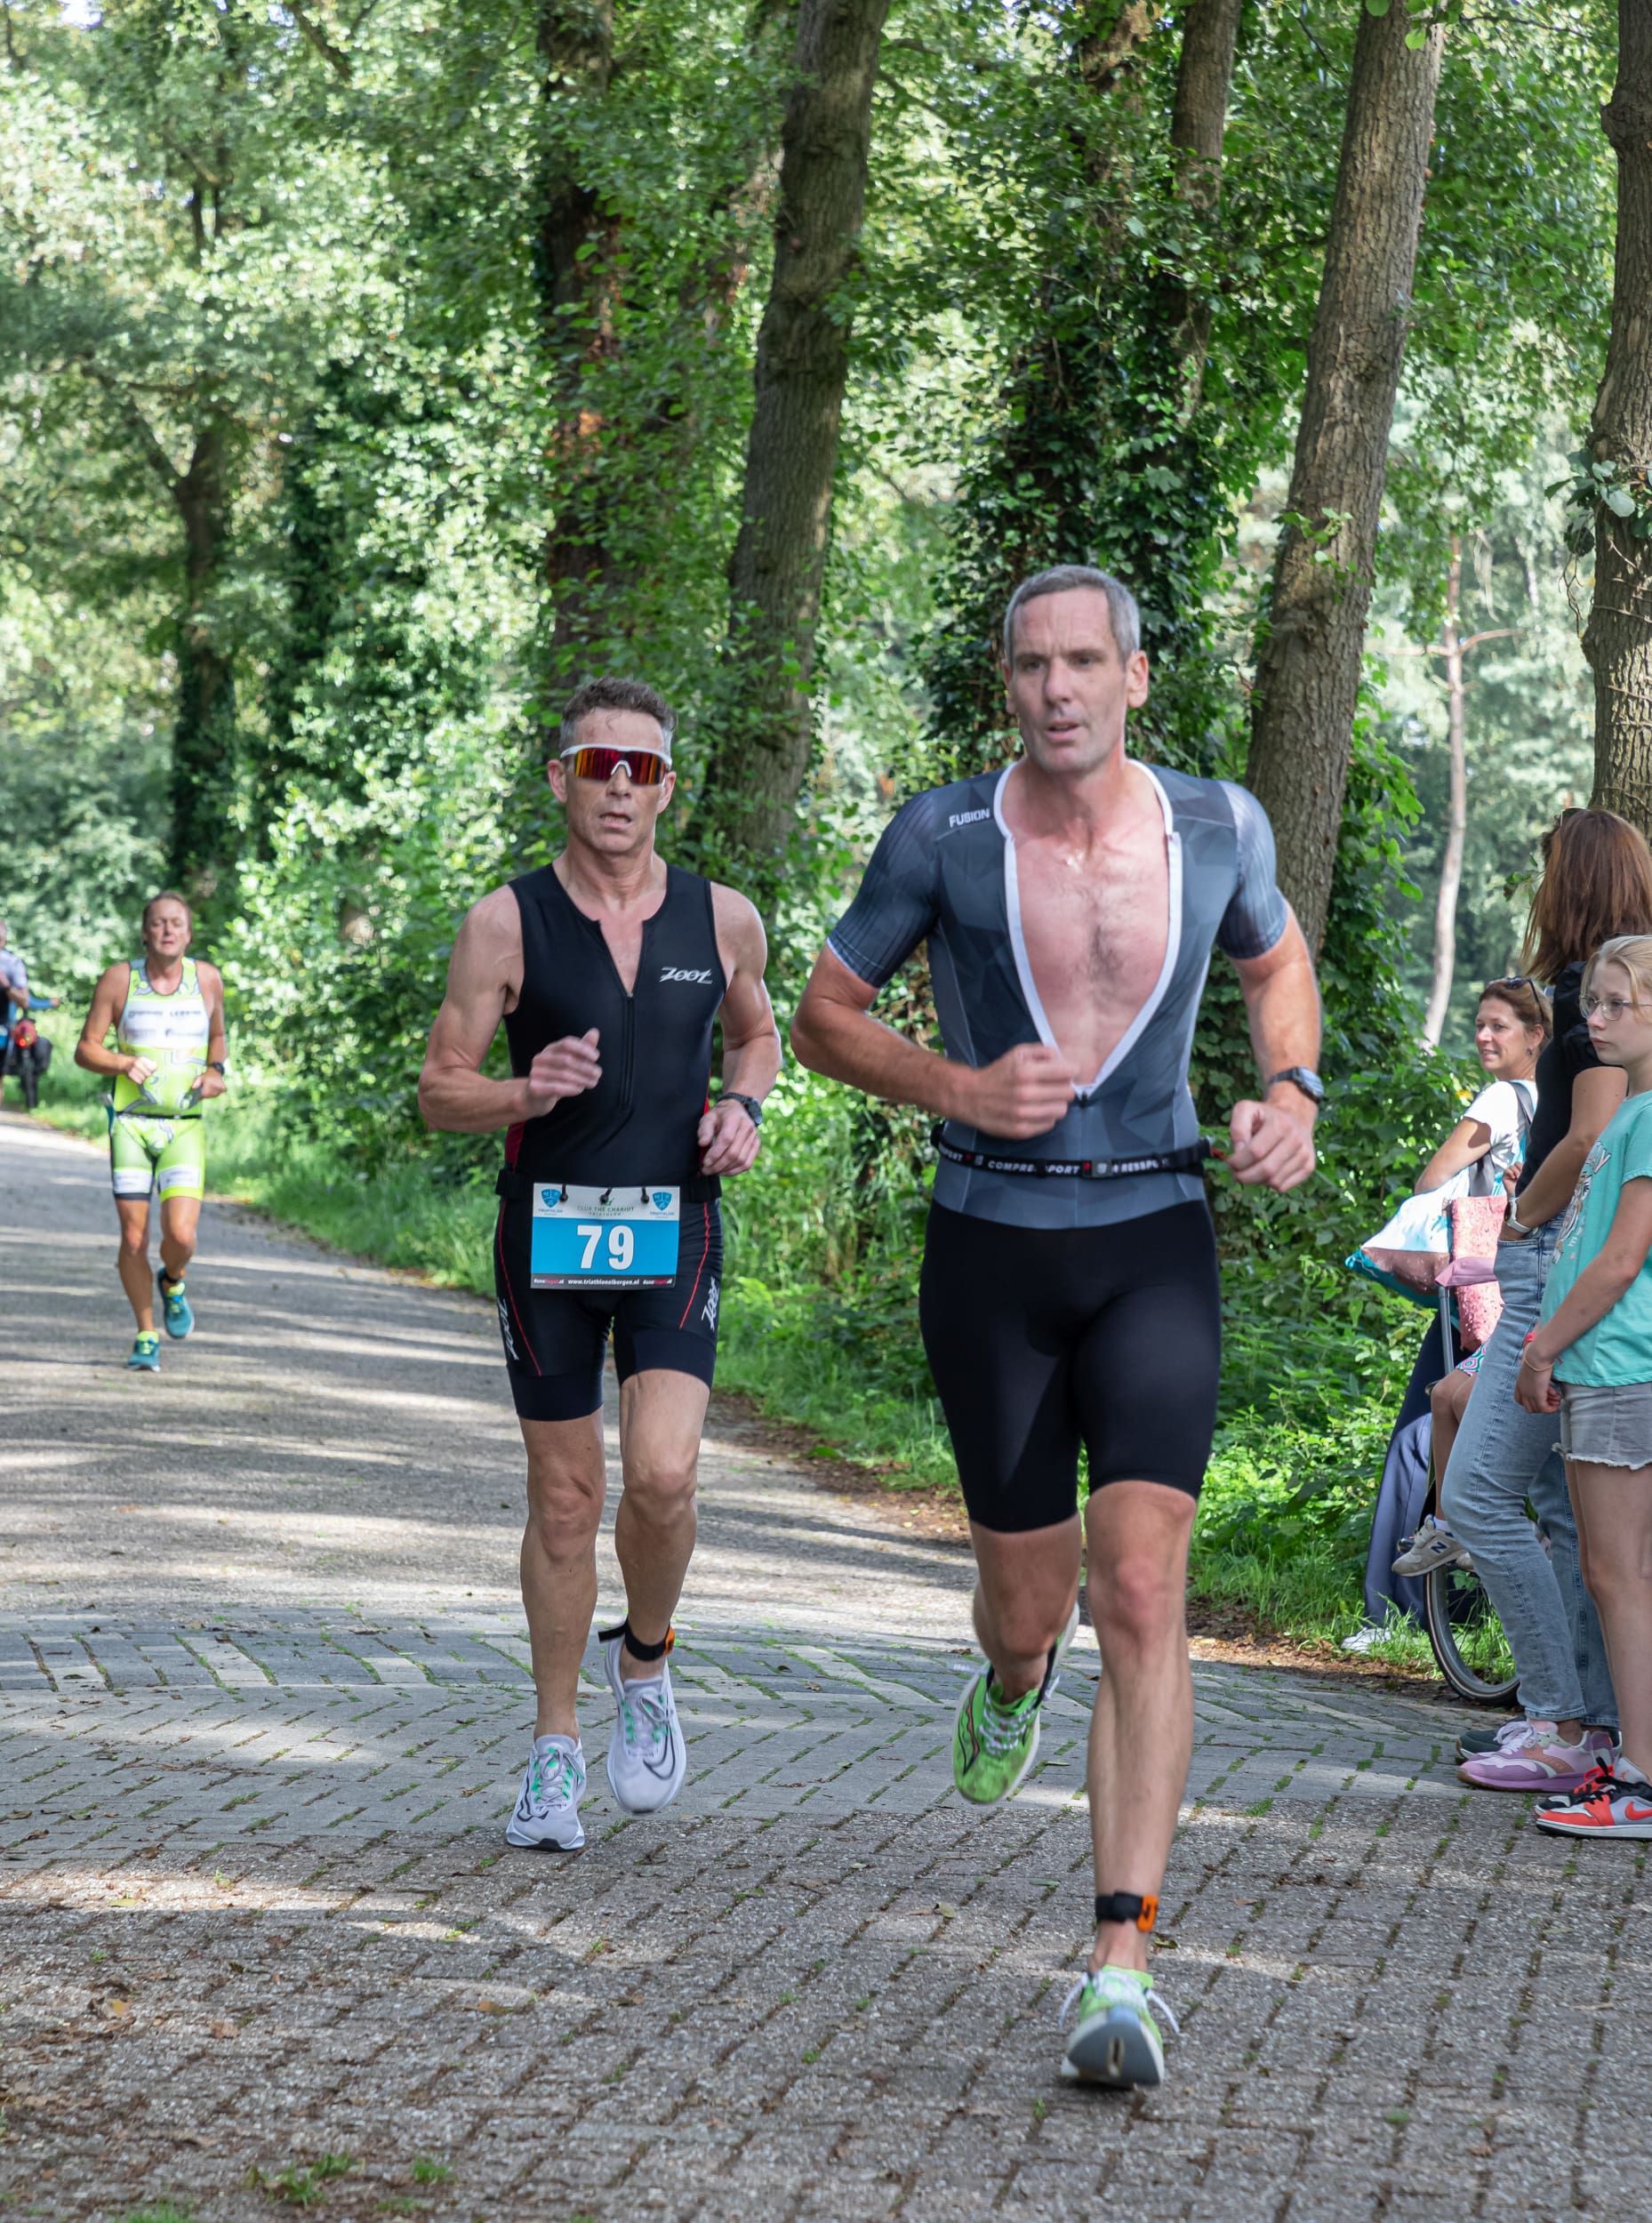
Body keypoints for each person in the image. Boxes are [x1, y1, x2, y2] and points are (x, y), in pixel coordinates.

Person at [790, 565, 1320, 2091]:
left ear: (1135, 676)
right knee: (1031, 1607)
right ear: (1005, 682)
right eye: (1029, 665)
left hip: (1154, 1233)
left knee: (1141, 1583)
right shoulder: (944, 835)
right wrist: (956, 1088)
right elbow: (826, 1013)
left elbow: (1274, 960)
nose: (1056, 690)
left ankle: (1118, 1960)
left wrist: (1288, 1093)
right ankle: (1012, 1681)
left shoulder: (1217, 824)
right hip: (990, 1250)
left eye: (1083, 661)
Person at [419, 676, 781, 1856]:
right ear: (560, 781)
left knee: (665, 1476)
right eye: (595, 766)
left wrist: (744, 1107)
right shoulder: (503, 923)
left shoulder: (723, 918)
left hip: (676, 1224)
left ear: (668, 786)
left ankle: (649, 1660)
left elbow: (758, 1032)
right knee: (567, 1501)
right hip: (547, 1237)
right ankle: (554, 1752)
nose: (618, 786)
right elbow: (439, 1090)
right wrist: (528, 1090)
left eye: (640, 768)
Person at [1443, 809, 1652, 1791]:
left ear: (1564, 880)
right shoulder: (1604, 992)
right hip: (1569, 1283)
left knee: (1480, 1495)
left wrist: (1519, 1218)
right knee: (1565, 1520)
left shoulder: (1590, 1003)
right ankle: (1594, 1726)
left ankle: (1565, 1719)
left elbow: (1588, 1137)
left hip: (1556, 1278)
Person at [1517, 936, 1652, 1841]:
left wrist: (1541, 1347)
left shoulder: (1643, 1119)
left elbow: (1618, 1258)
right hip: (1605, 1364)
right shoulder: (1633, 1109)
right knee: (1620, 1573)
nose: (1590, 1018)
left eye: (1611, 1004)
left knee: (1616, 1573)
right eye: (1591, 1002)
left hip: (1614, 1365)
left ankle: (1637, 1779)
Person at [1360, 977, 1551, 1614]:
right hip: (1522, 1289)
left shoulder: (1500, 1099)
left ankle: (1391, 1605)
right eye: (1479, 1024)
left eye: (1499, 1026)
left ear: (1536, 1036)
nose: (1484, 1036)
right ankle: (1452, 1605)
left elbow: (1431, 1178)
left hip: (1471, 1285)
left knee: (1418, 1434)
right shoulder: (1551, 1102)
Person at [74, 894, 228, 1371]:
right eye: (158, 923)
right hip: (132, 1126)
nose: (167, 931)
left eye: (176, 923)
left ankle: (174, 1279)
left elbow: (217, 1039)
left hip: (184, 1125)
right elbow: (85, 1050)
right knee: (135, 1238)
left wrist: (216, 1072)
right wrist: (121, 1062)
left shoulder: (207, 979)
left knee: (181, 1236)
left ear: (189, 933)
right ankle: (145, 1334)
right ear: (145, 932)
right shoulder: (120, 979)